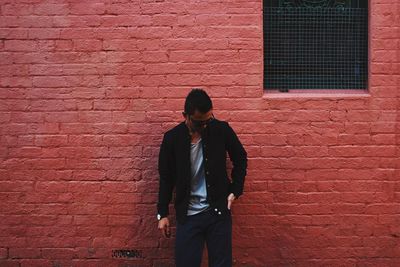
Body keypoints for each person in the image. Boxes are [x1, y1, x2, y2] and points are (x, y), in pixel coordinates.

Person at [157, 88, 247, 267]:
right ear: (186, 116)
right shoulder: (172, 139)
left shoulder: (221, 130)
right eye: (199, 123)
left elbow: (241, 158)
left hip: (218, 212)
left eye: (209, 120)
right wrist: (162, 214)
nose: (205, 126)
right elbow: (166, 178)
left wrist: (235, 191)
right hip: (188, 215)